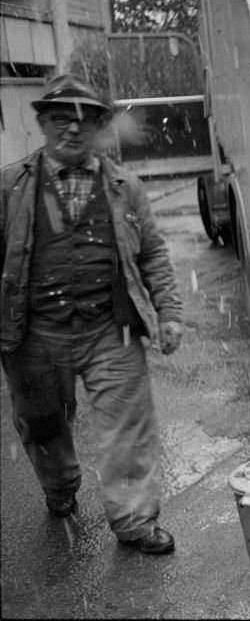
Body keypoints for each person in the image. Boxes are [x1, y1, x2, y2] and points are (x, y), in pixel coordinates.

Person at [0, 74, 183, 554]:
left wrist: (168, 312)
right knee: (41, 422)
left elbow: (153, 255)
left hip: (110, 330)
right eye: (61, 120)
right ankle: (60, 488)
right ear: (41, 123)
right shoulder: (10, 186)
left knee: (128, 428)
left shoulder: (126, 187)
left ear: (100, 128)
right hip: (35, 333)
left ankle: (134, 521)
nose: (72, 131)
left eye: (85, 122)